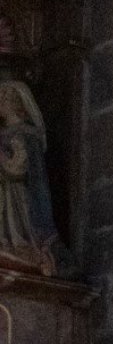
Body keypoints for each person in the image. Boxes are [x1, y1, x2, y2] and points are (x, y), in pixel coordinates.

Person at [0, 79, 59, 275]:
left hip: (18, 196)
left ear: (19, 104)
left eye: (5, 97)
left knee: (15, 228)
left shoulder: (27, 134)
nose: (0, 101)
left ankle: (19, 245)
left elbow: (18, 168)